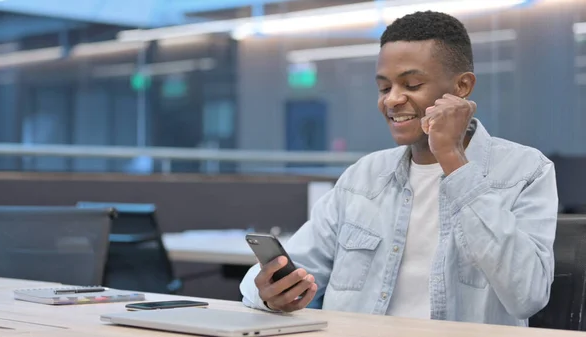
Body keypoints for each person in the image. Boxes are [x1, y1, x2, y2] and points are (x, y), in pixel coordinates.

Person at [239, 10, 558, 326]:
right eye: (383, 87)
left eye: (412, 84)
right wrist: (269, 292)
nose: (391, 100)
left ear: (462, 87)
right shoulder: (362, 178)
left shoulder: (525, 171)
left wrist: (453, 158)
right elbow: (279, 272)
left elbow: (527, 295)